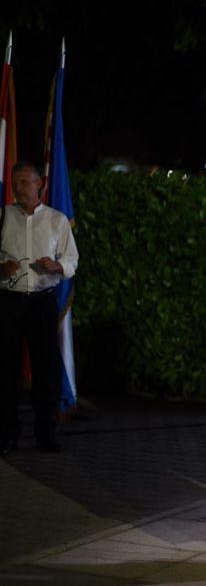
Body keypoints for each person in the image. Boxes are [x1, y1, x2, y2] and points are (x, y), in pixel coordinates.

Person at [0, 161, 79, 454]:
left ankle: (46, 433)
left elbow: (71, 258)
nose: (18, 188)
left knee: (45, 370)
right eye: (15, 182)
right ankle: (7, 433)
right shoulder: (3, 217)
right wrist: (1, 266)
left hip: (42, 302)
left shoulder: (57, 220)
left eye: (24, 182)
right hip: (9, 301)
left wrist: (57, 266)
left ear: (40, 184)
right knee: (5, 370)